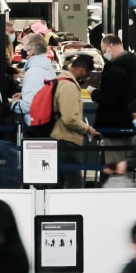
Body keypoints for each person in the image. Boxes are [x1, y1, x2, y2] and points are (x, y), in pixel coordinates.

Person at [88, 33, 136, 166]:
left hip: (114, 126)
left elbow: (110, 99)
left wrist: (94, 92)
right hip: (131, 123)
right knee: (129, 167)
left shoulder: (115, 69)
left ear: (111, 47)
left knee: (114, 166)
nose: (104, 54)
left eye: (103, 51)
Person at [51, 54, 101, 188]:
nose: (87, 77)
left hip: (59, 140)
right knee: (75, 186)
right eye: (88, 73)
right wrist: (87, 129)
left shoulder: (60, 80)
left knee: (59, 184)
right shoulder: (69, 86)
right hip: (66, 140)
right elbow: (70, 119)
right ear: (82, 69)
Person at [13, 33, 55, 126]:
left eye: (23, 45)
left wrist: (11, 105)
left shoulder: (33, 72)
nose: (21, 49)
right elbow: (40, 92)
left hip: (35, 123)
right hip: (46, 120)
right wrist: (23, 94)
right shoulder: (47, 66)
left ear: (30, 52)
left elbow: (28, 106)